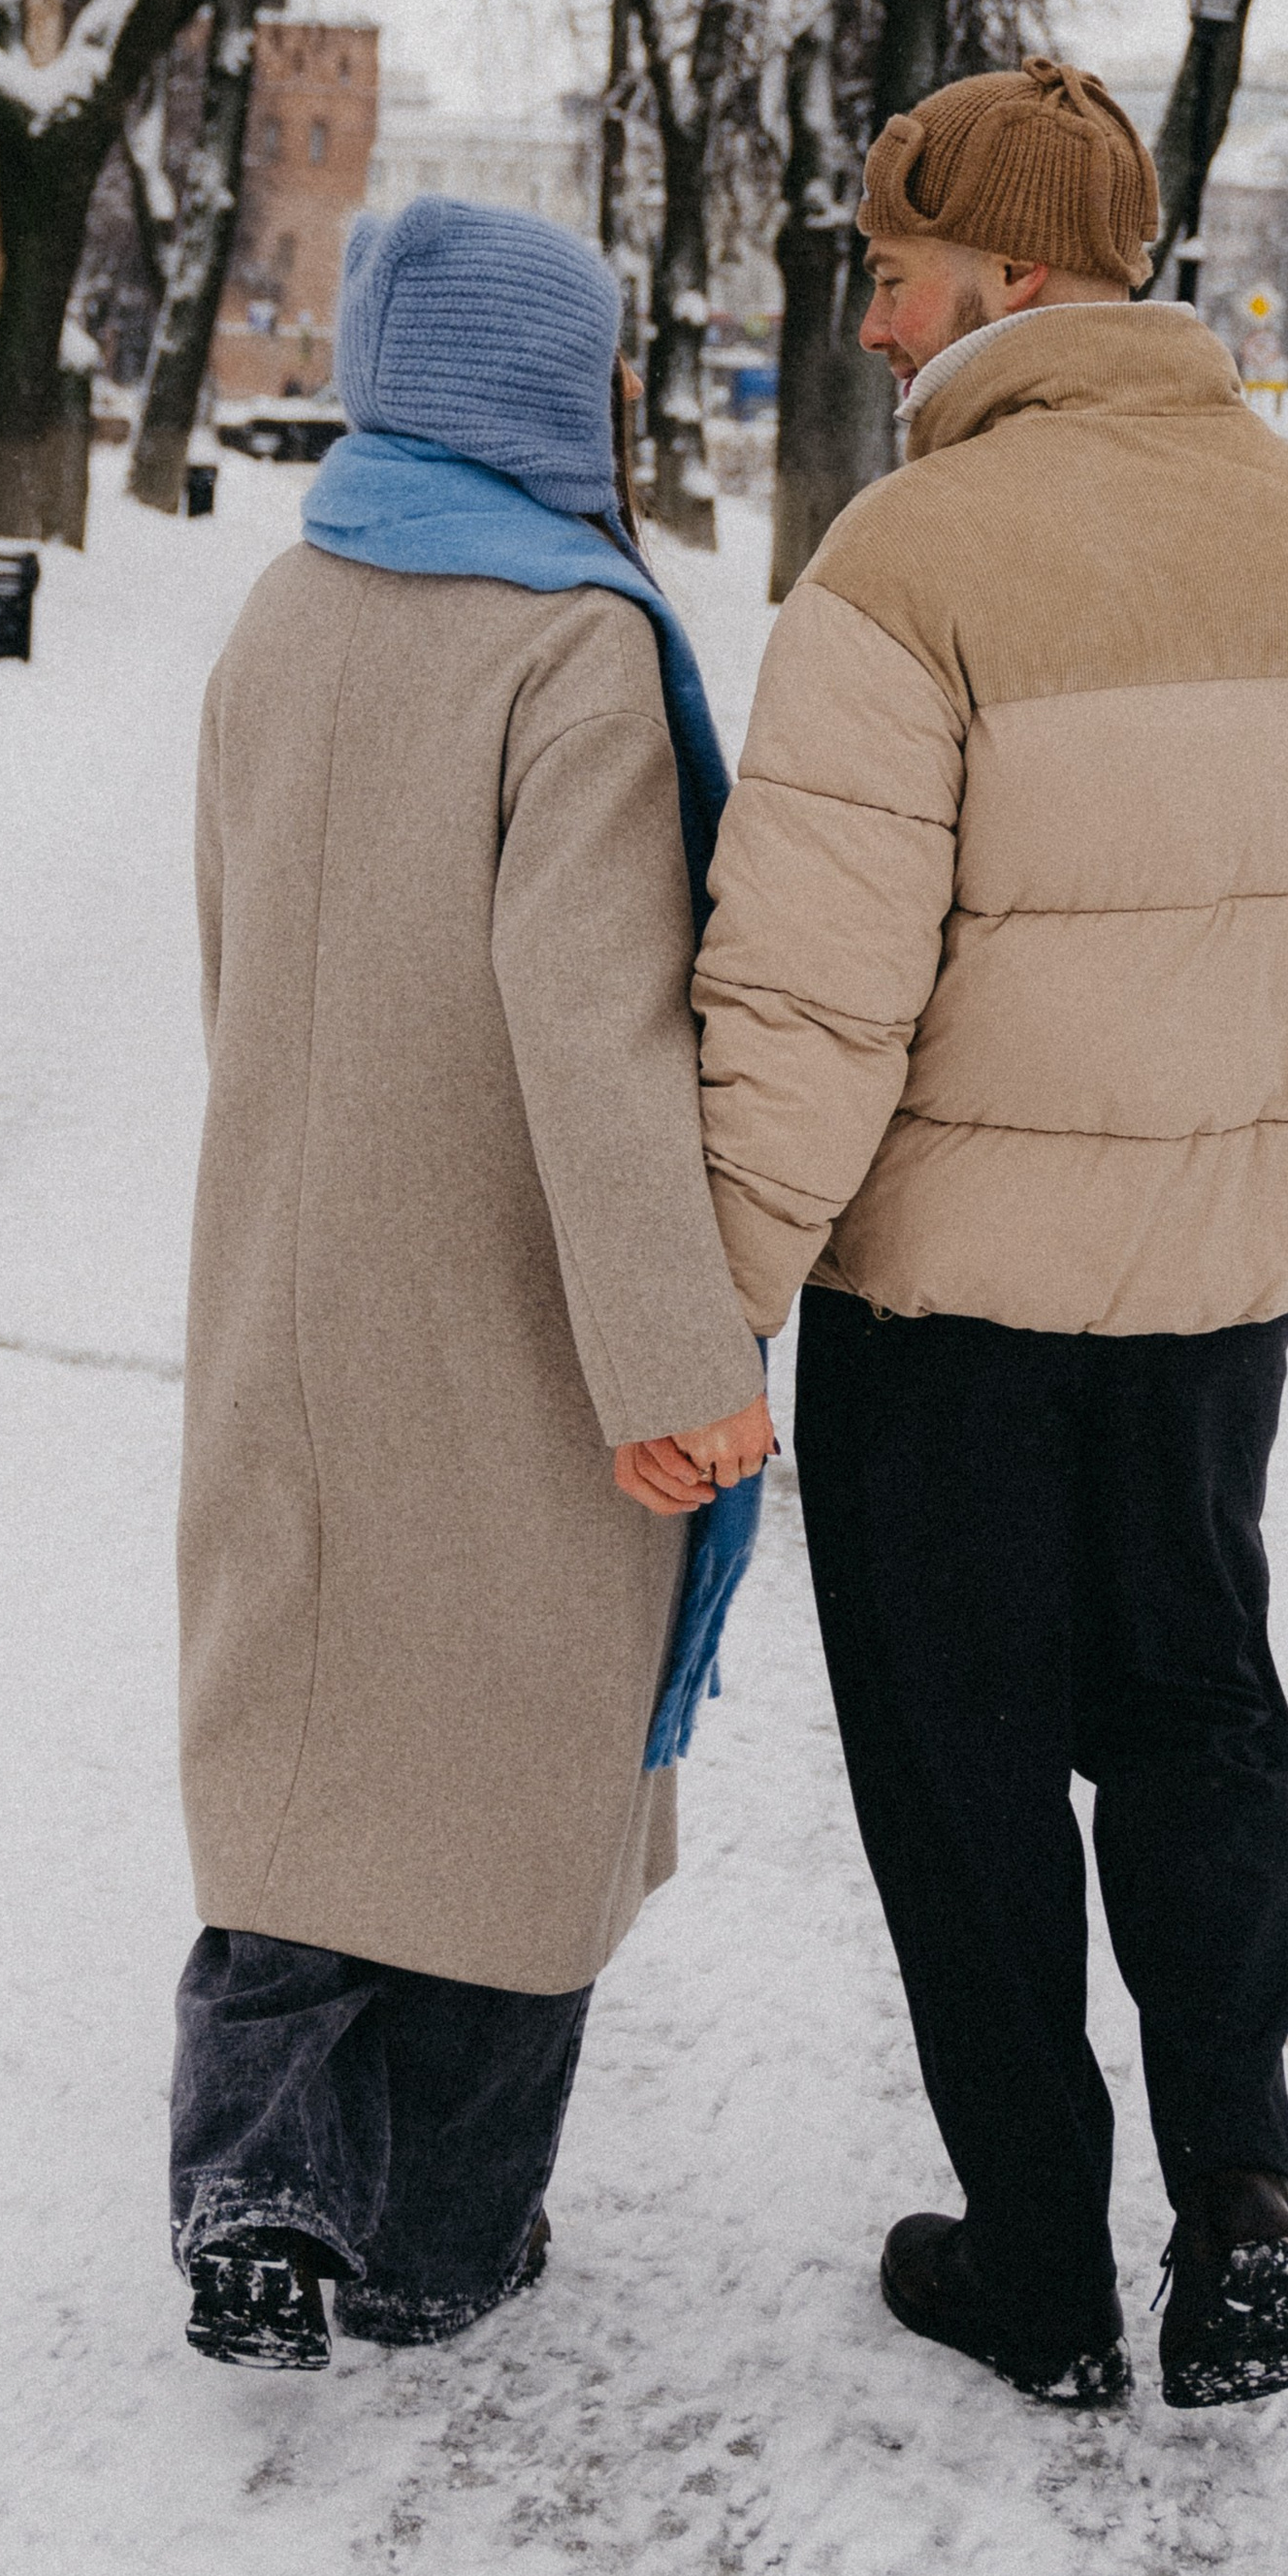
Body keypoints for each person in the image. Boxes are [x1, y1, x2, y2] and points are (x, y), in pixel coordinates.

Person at [694, 56, 1288, 2412]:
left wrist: (698, 1313)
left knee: (961, 1757)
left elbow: (806, 997)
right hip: (1215, 1285)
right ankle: (1242, 2207)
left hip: (949, 1303)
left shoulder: (905, 567)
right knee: (1199, 1706)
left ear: (1009, 273)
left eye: (895, 277)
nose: (881, 330)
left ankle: (1038, 2258)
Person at [173, 194, 772, 2373]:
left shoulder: (288, 606)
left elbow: (231, 957)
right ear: (558, 386)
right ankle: (433, 2237)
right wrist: (676, 1361)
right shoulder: (571, 648)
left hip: (289, 1267)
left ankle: (253, 2192)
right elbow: (596, 1039)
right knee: (516, 1776)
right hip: (515, 1304)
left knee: (298, 1733)